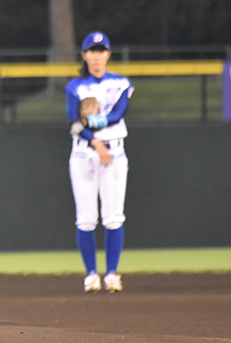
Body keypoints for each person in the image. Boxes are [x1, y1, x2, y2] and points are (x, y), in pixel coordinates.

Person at [64, 31, 134, 293]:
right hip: (84, 153)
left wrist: (92, 122)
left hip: (114, 152)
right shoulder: (75, 86)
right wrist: (95, 141)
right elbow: (73, 122)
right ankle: (92, 275)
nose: (96, 56)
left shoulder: (121, 83)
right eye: (92, 51)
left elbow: (118, 114)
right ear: (84, 55)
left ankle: (112, 274)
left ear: (108, 54)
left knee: (114, 216)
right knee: (85, 218)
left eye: (101, 50)